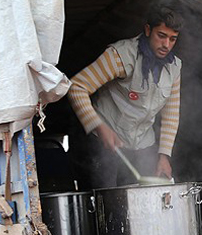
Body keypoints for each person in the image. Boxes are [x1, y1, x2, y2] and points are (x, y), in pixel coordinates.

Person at [68, 2, 182, 188]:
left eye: (172, 39)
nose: (166, 45)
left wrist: (164, 155)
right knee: (106, 203)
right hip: (103, 143)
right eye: (161, 36)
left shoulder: (175, 68)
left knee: (141, 202)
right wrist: (99, 126)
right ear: (147, 30)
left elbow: (171, 115)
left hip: (142, 145)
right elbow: (76, 87)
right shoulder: (121, 56)